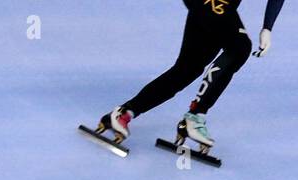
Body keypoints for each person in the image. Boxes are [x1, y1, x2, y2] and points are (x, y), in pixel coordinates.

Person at [91, 1, 286, 152]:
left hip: (218, 8)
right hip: (212, 4)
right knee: (240, 46)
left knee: (187, 69)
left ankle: (123, 113)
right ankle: (195, 117)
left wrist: (267, 27)